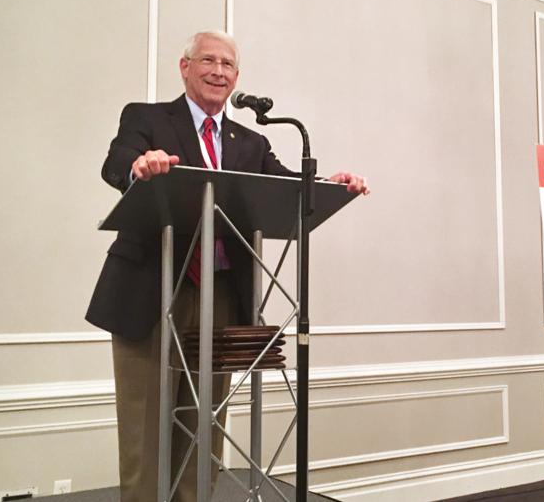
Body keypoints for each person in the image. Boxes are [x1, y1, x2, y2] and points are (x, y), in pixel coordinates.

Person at [85, 30, 368, 502]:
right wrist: (139, 164)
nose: (219, 71)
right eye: (208, 61)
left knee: (204, 424)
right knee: (146, 424)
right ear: (185, 67)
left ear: (237, 77)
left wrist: (326, 184)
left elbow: (284, 187)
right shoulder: (148, 118)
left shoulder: (250, 142)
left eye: (229, 65)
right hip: (151, 293)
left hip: (220, 298)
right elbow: (117, 160)